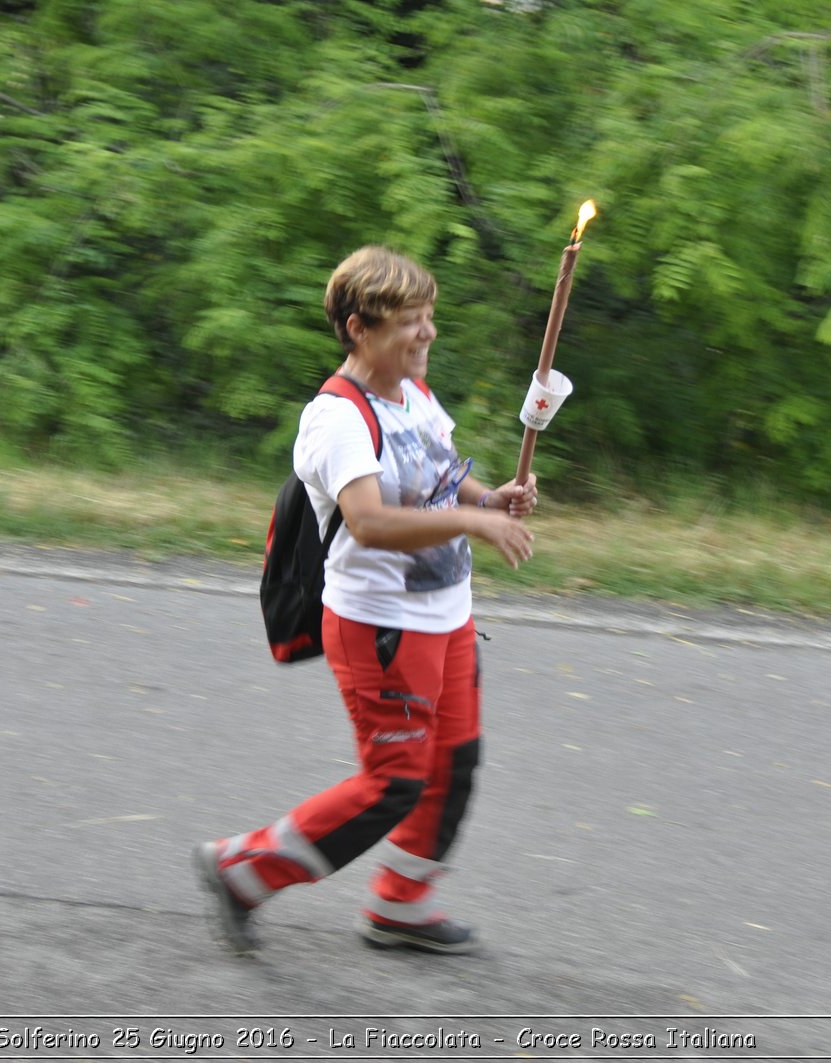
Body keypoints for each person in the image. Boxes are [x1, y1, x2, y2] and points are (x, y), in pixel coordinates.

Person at [194, 246, 539, 956]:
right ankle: (242, 867)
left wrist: (488, 495)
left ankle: (399, 905)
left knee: (454, 765)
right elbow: (372, 520)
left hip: (447, 617)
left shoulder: (412, 393)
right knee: (393, 783)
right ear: (359, 327)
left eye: (430, 318)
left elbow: (440, 472)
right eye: (412, 321)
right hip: (381, 627)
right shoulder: (337, 419)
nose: (428, 334)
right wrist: (476, 523)